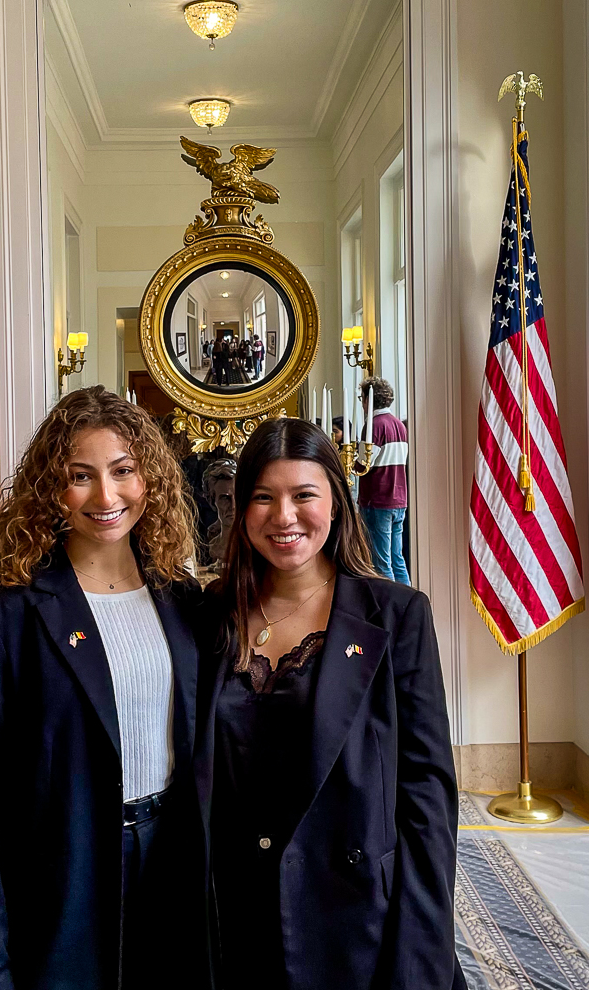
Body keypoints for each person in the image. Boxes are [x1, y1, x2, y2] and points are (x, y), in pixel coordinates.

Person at [0, 385, 208, 990]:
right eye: (80, 475)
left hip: (173, 861)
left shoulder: (184, 602)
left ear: (151, 479)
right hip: (63, 870)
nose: (106, 496)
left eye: (123, 471)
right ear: (49, 489)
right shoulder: (0, 619)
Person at [196, 417, 464, 990]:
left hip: (356, 919)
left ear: (338, 504)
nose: (284, 516)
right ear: (242, 511)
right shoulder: (210, 614)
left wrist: (422, 947)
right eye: (264, 497)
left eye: (304, 495)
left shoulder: (396, 617)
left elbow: (427, 797)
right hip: (237, 916)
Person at [357, 376, 410, 583]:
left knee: (381, 562)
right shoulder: (399, 425)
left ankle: (389, 609)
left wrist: (348, 462)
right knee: (397, 559)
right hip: (399, 499)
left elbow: (364, 464)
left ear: (368, 400)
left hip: (377, 500)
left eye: (362, 398)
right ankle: (407, 603)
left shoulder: (374, 425)